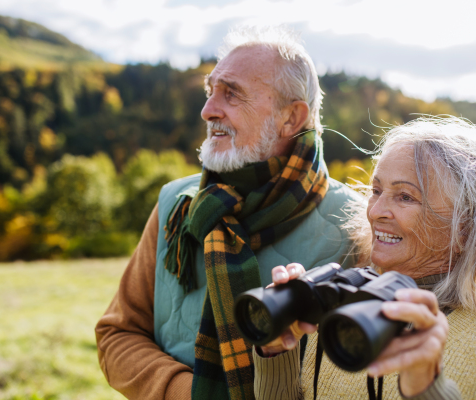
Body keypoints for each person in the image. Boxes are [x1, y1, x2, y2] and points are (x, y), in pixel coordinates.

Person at [95, 26, 363, 400]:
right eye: (210, 92)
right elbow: (117, 333)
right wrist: (189, 394)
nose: (207, 110)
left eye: (231, 94)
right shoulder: (177, 204)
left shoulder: (359, 224)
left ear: (291, 117)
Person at [253, 116, 476, 399]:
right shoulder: (347, 313)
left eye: (405, 196)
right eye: (376, 191)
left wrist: (427, 390)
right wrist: (276, 352)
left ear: (465, 227)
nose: (375, 212)